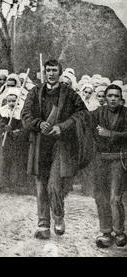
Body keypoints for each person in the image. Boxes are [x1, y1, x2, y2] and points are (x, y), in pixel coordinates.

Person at [21, 59, 87, 239]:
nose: (51, 73)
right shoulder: (34, 92)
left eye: (54, 70)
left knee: (54, 186)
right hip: (40, 144)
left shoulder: (70, 94)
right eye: (48, 70)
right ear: (44, 72)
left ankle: (58, 217)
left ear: (60, 72)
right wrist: (38, 123)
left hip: (61, 145)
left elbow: (82, 114)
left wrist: (62, 127)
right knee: (41, 185)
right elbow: (25, 115)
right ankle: (43, 225)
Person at [91, 84, 127, 248]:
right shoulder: (97, 113)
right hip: (100, 159)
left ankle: (119, 232)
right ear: (105, 98)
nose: (113, 98)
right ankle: (105, 232)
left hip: (118, 160)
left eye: (116, 96)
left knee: (115, 198)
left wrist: (110, 134)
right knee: (100, 196)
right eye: (110, 95)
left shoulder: (126, 113)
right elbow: (87, 129)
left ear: (121, 99)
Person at [0, 88, 28, 191]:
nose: (12, 103)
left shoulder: (21, 111)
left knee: (15, 160)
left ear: (18, 100)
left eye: (14, 101)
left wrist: (19, 131)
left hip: (16, 139)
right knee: (3, 160)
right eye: (9, 101)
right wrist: (3, 127)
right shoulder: (2, 110)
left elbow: (24, 125)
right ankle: (2, 183)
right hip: (4, 137)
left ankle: (15, 183)